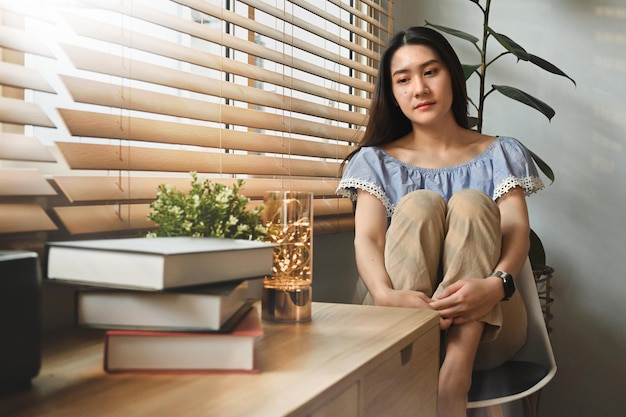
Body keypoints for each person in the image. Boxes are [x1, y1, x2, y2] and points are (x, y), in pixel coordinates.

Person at [336, 26, 544, 417]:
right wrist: (384, 294)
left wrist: (494, 285)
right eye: (404, 79)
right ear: (393, 95)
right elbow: (367, 240)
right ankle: (412, 351)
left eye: (430, 72)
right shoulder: (373, 161)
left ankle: (455, 373)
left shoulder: (501, 152)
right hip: (396, 320)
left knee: (469, 202)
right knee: (420, 205)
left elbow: (517, 232)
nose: (419, 88)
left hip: (488, 324)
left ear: (452, 74)